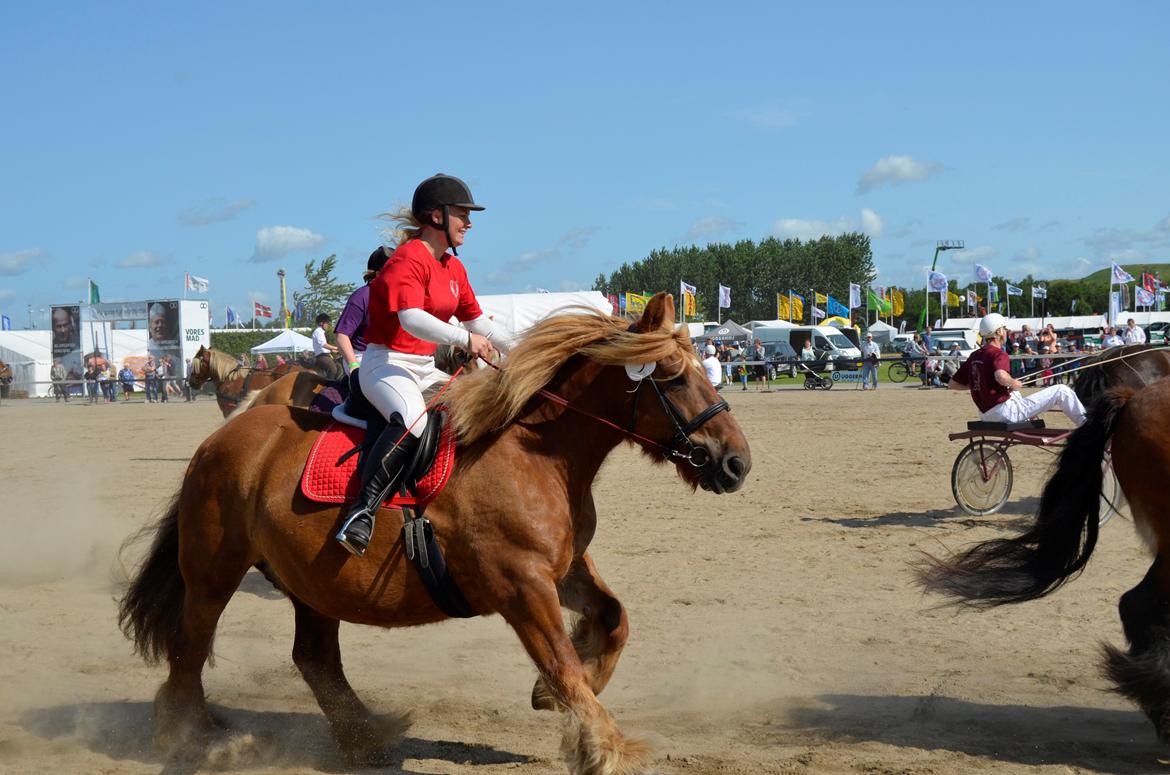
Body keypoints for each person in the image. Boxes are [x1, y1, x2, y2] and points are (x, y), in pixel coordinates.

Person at [335, 173, 514, 556]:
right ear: (437, 216)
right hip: (385, 364)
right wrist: (467, 341)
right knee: (414, 421)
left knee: (475, 411)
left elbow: (477, 321)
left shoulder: (453, 268)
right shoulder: (408, 258)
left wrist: (521, 349)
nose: (469, 222)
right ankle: (361, 513)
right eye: (462, 214)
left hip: (423, 366)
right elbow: (411, 318)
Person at [949, 313, 1086, 427]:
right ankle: (1087, 426)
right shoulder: (998, 354)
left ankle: (1029, 416)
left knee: (1014, 393)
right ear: (998, 332)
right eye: (1005, 329)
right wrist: (1012, 382)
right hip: (1005, 414)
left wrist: (978, 385)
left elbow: (952, 384)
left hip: (986, 414)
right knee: (1061, 390)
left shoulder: (975, 355)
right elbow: (1000, 376)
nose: (1007, 332)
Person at [312, 313, 341, 380]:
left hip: (326, 355)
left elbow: (323, 347)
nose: (328, 325)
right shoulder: (318, 331)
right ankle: (329, 387)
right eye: (327, 323)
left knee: (339, 367)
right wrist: (338, 348)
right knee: (333, 369)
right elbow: (324, 345)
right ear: (321, 323)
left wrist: (335, 351)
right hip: (322, 356)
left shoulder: (321, 332)